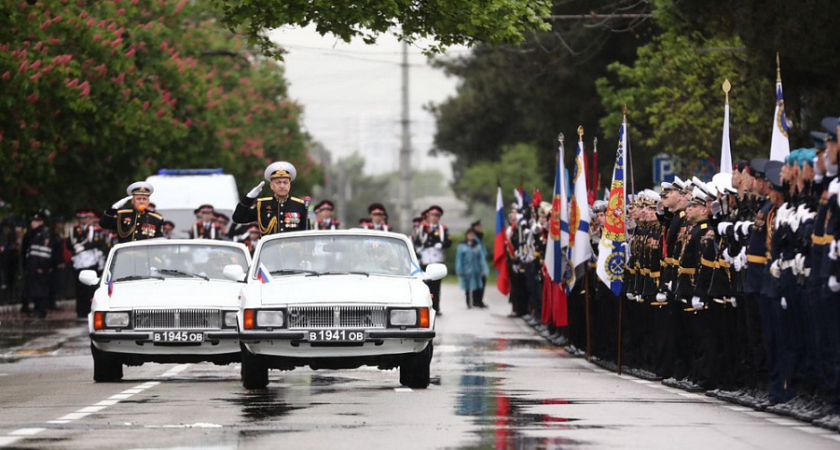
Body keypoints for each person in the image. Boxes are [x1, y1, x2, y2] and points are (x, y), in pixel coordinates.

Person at [233, 161, 310, 236]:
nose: (282, 186)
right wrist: (249, 198)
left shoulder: (300, 205)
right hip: (269, 248)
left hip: (293, 248)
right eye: (278, 182)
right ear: (271, 186)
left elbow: (307, 233)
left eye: (285, 182)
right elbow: (238, 218)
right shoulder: (262, 205)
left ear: (290, 185)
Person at [70, 209, 108, 319]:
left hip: (91, 261)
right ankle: (80, 311)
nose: (84, 220)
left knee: (90, 288)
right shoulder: (75, 229)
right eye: (82, 218)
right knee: (79, 288)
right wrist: (75, 247)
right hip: (79, 262)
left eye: (86, 218)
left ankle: (89, 309)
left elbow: (99, 242)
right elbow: (71, 242)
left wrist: (85, 247)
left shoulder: (94, 230)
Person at [414, 205, 452, 315]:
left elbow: (448, 242)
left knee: (436, 286)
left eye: (436, 216)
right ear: (428, 216)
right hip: (425, 259)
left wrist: (441, 244)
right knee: (425, 285)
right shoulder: (422, 228)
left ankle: (436, 307)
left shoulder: (442, 229)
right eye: (432, 215)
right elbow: (417, 241)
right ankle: (425, 307)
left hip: (437, 259)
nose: (434, 218)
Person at [100, 181, 165, 243]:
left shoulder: (156, 219)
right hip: (125, 252)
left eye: (144, 199)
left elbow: (159, 240)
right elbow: (104, 223)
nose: (141, 202)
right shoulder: (122, 215)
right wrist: (113, 208)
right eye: (138, 199)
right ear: (132, 201)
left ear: (148, 202)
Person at [21, 211, 54, 318]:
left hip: (39, 267)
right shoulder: (33, 234)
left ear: (41, 222)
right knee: (33, 288)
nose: (33, 223)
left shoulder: (43, 235)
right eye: (33, 221)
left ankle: (41, 309)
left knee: (40, 289)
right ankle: (37, 308)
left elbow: (44, 252)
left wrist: (42, 266)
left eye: (35, 221)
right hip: (32, 266)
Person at [456, 228, 489, 309]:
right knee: (467, 287)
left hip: (476, 269)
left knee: (476, 285)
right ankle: (468, 302)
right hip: (466, 269)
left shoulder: (477, 246)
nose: (471, 236)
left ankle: (476, 301)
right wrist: (459, 269)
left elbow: (481, 259)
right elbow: (459, 258)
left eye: (472, 235)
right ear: (466, 236)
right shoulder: (462, 246)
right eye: (469, 235)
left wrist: (483, 269)